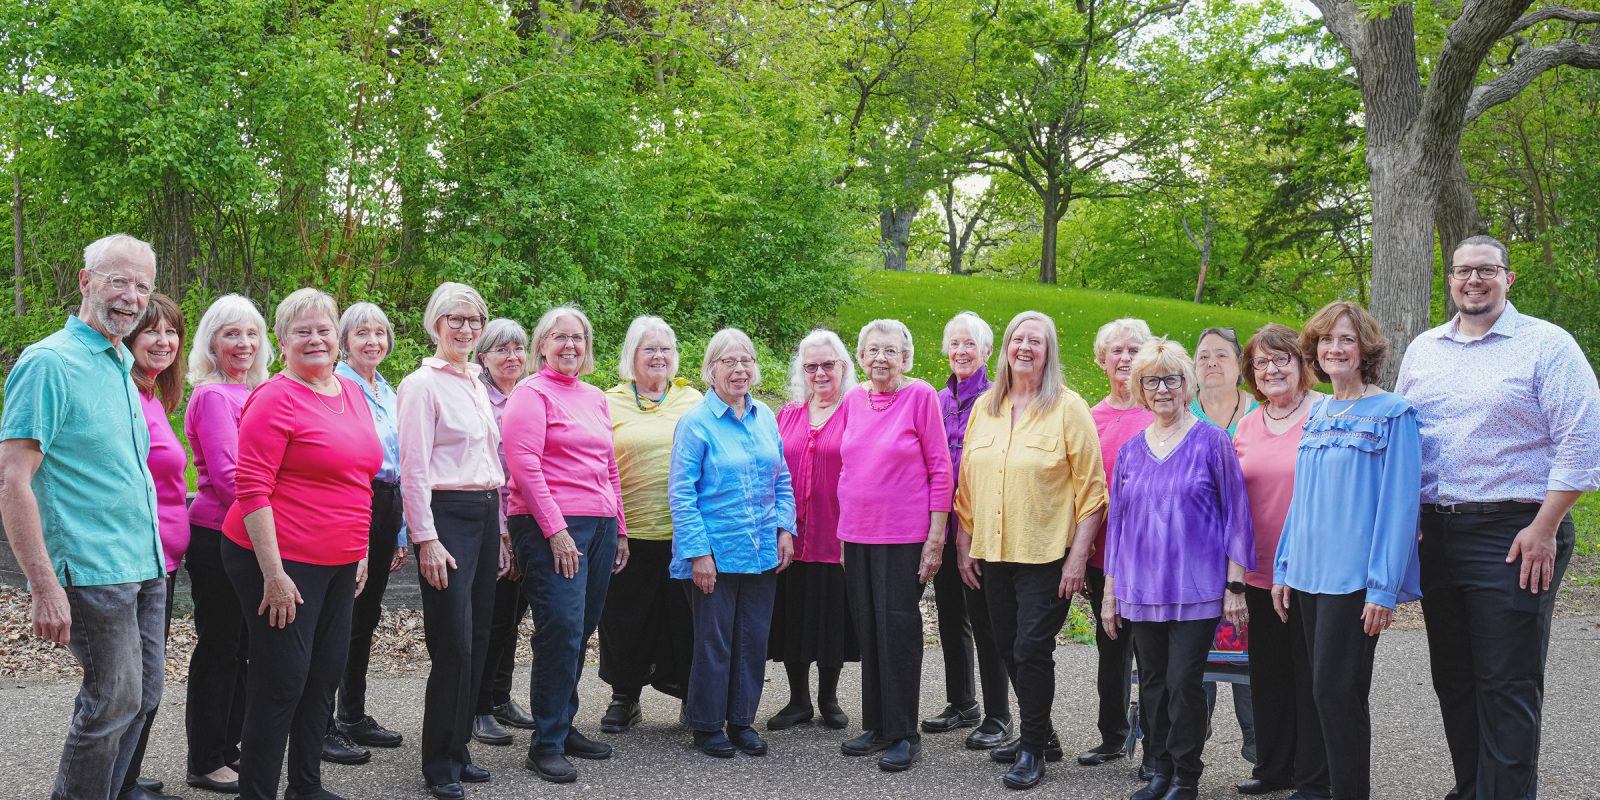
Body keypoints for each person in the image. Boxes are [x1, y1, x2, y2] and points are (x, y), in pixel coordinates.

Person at [1397, 234, 1600, 800]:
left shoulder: (1546, 345)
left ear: (1508, 279)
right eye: (1463, 271)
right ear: (1451, 281)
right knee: (1455, 679)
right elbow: (1409, 440)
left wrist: (1546, 526)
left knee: (1506, 681)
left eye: (1486, 270)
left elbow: (1582, 441)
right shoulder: (1425, 350)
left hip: (1516, 533)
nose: (1473, 280)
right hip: (1437, 531)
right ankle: (1472, 789)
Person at [0, 234, 165, 800]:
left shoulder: (122, 361)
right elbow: (12, 479)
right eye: (119, 280)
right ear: (85, 281)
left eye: (142, 285)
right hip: (93, 569)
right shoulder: (49, 363)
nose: (131, 296)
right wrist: (43, 586)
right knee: (111, 703)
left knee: (140, 700)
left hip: (145, 564)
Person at [220, 288, 382, 800]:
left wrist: (360, 550)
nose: (315, 339)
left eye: (324, 329)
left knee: (323, 675)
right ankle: (258, 792)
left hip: (337, 560)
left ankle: (305, 787)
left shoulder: (350, 392)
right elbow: (251, 490)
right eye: (302, 331)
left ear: (338, 338)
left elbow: (361, 478)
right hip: (276, 559)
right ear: (282, 341)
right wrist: (274, 573)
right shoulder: (273, 397)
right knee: (282, 681)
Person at [1271, 302, 1421, 800]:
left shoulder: (1393, 414)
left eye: (1347, 340)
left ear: (1365, 351)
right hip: (1308, 574)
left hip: (1353, 579)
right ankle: (1315, 787)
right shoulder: (1318, 412)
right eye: (1327, 340)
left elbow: (1400, 507)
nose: (1335, 348)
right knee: (1319, 692)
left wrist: (1383, 587)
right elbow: (1303, 497)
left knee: (1336, 693)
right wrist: (1284, 566)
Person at [953, 311, 1108, 790]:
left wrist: (1078, 558)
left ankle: (1033, 748)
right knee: (1006, 647)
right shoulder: (986, 407)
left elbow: (1093, 490)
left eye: (1035, 341)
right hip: (994, 551)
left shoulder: (1068, 407)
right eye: (1017, 338)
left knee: (1031, 648)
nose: (1024, 347)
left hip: (1046, 555)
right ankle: (1047, 733)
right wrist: (964, 543)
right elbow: (967, 484)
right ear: (1005, 348)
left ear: (1049, 351)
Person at [1102, 338, 1253, 800]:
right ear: (1141, 389)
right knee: (1150, 683)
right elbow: (1119, 528)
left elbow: (1238, 516)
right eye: (1152, 381)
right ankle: (1160, 768)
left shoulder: (1213, 442)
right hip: (1141, 588)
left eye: (1170, 379)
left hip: (1198, 587)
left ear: (1186, 385)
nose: (1162, 389)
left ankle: (1187, 774)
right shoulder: (1129, 452)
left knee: (1182, 682)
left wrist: (1235, 585)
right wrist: (1110, 592)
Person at [503, 306, 627, 785]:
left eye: (578, 337)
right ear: (542, 345)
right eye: (559, 337)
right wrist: (556, 531)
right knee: (560, 630)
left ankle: (563, 724)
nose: (569, 345)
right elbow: (524, 467)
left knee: (582, 627)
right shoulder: (531, 395)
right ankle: (546, 744)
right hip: (549, 525)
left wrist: (619, 527)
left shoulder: (594, 397)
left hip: (596, 525)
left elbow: (609, 466)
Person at [397, 283, 507, 800]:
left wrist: (501, 529)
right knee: (453, 643)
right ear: (435, 324)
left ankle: (459, 749)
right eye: (455, 319)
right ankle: (438, 761)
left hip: (484, 515)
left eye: (474, 320)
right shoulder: (422, 384)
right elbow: (414, 468)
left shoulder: (477, 381)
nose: (465, 328)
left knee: (479, 639)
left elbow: (491, 463)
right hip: (447, 517)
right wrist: (425, 537)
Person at [669, 328, 797, 759]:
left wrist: (785, 530)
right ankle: (707, 725)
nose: (739, 369)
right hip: (715, 554)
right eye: (728, 362)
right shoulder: (695, 422)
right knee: (714, 641)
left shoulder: (765, 416)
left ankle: (741, 720)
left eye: (746, 361)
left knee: (752, 640)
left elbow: (782, 479)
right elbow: (681, 493)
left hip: (761, 547)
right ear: (710, 370)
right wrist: (698, 553)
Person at [836, 319, 954, 772]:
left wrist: (936, 537)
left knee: (898, 631)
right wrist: (844, 534)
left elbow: (940, 468)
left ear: (906, 358)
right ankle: (878, 724)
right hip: (858, 534)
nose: (880, 358)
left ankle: (904, 732)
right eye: (872, 350)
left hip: (904, 537)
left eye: (890, 351)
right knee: (869, 629)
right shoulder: (853, 398)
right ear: (861, 357)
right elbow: (849, 468)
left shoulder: (920, 395)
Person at [1230, 323, 1329, 799]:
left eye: (1281, 358)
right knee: (1268, 675)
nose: (1271, 369)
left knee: (1312, 675)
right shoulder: (1247, 424)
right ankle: (1274, 768)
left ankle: (1314, 776)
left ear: (1303, 362)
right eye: (1261, 363)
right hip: (1259, 569)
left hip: (1314, 571)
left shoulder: (1327, 413)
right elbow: (1232, 504)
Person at [183, 292, 273, 794]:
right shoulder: (214, 396)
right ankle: (206, 759)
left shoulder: (258, 392)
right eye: (230, 334)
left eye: (250, 333)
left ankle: (231, 748)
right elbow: (230, 475)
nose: (242, 343)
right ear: (211, 343)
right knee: (219, 646)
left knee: (243, 647)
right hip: (220, 534)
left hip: (256, 536)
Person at [598, 316, 702, 733]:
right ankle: (625, 696)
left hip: (685, 532)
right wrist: (616, 529)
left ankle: (691, 696)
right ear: (631, 357)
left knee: (685, 620)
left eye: (666, 349)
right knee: (626, 618)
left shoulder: (693, 399)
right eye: (649, 349)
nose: (659, 356)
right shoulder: (607, 401)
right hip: (628, 531)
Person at [925, 311, 1012, 749]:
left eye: (970, 344)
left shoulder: (998, 400)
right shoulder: (937, 401)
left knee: (986, 620)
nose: (961, 351)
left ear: (987, 351)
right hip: (942, 524)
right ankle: (963, 702)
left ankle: (999, 715)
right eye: (955, 343)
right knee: (949, 616)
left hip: (982, 528)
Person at [327, 302, 409, 761]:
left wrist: (397, 531)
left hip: (387, 503)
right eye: (362, 333)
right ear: (344, 341)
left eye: (380, 332)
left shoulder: (389, 389)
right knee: (339, 616)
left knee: (367, 616)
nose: (373, 341)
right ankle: (320, 725)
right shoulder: (339, 386)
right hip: (353, 499)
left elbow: (398, 464)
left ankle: (351, 714)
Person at [768, 328, 858, 732]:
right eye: (811, 366)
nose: (819, 373)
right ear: (801, 371)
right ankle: (798, 700)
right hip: (791, 535)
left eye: (828, 365)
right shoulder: (786, 414)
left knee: (831, 617)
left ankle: (829, 697)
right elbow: (771, 473)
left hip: (836, 534)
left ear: (842, 367)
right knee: (793, 615)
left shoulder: (856, 409)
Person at [121, 293, 190, 800]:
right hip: (132, 562)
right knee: (126, 690)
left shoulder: (154, 397)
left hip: (163, 563)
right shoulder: (122, 391)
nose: (163, 342)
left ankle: (125, 775)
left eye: (171, 333)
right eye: (152, 331)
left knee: (147, 685)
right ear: (129, 337)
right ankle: (114, 783)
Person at [1079, 317, 1154, 770]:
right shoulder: (1090, 418)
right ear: (1102, 360)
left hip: (1149, 556)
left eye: (1133, 351)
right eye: (1116, 352)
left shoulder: (1161, 411)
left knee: (1151, 654)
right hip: (1101, 552)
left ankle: (1154, 747)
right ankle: (1112, 735)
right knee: (1110, 644)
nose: (1124, 359)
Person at [1190, 325, 1256, 760]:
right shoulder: (1178, 411)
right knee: (1195, 660)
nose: (1212, 362)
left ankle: (1262, 751)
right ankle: (1187, 745)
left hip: (1253, 558)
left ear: (1239, 366)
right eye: (1203, 356)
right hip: (1192, 561)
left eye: (1222, 355)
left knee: (1255, 658)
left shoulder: (1262, 414)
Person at [470, 318, 537, 747]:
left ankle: (500, 696)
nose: (512, 357)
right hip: (494, 521)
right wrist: (501, 534)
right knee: (490, 619)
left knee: (514, 615)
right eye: (501, 350)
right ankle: (477, 707)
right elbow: (486, 471)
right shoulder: (478, 398)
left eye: (518, 349)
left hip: (529, 520)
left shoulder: (531, 396)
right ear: (483, 358)